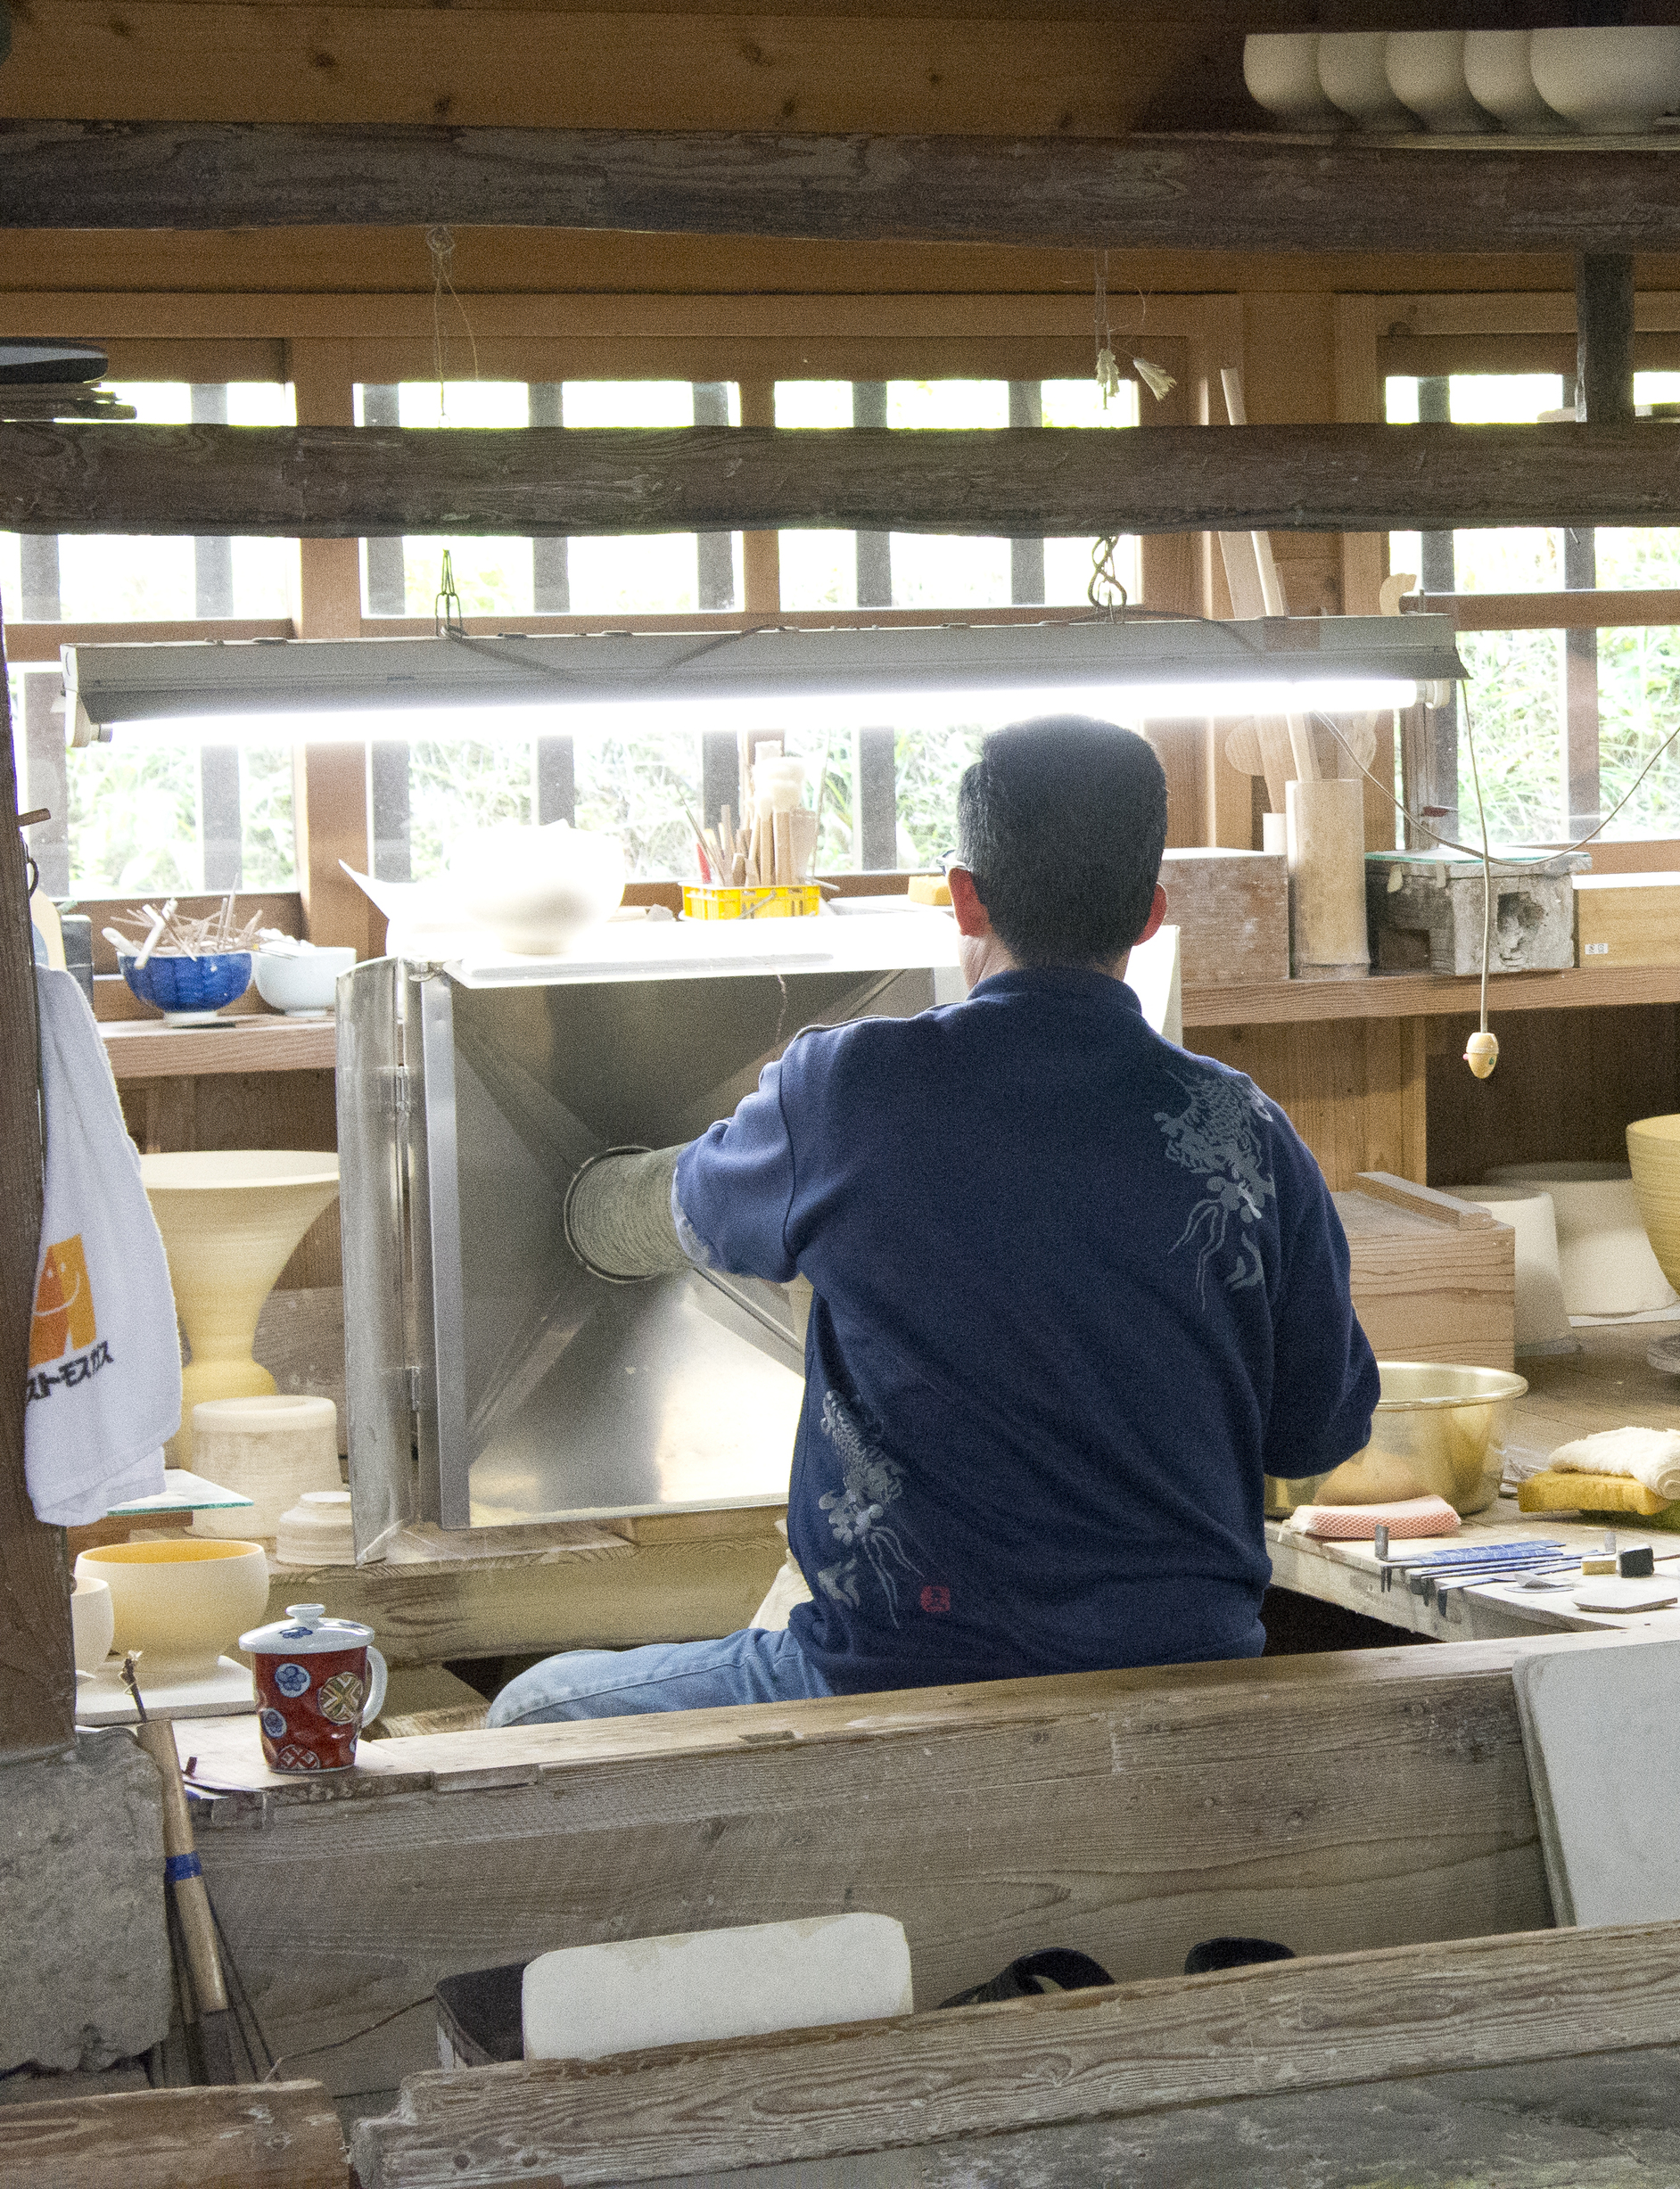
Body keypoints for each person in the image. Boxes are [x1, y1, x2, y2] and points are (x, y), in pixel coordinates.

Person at [490, 716, 1379, 1723]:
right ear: (1149, 915)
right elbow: (1317, 1431)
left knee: (533, 1709)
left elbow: (675, 1214)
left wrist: (583, 1196)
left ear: (963, 896)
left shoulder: (855, 1091)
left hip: (902, 1687)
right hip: (1188, 1685)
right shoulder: (1246, 1131)